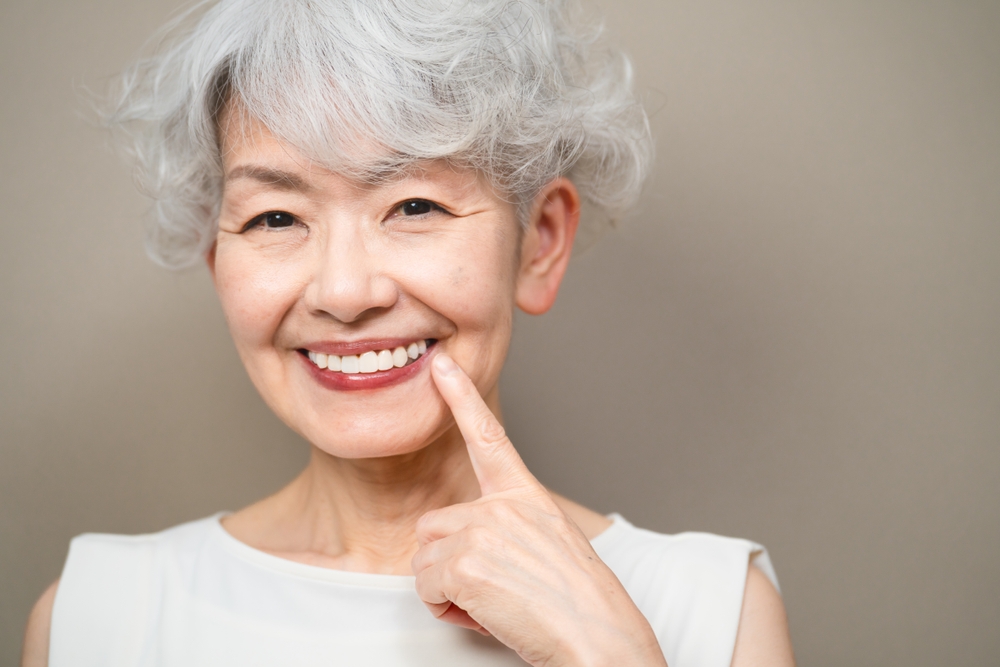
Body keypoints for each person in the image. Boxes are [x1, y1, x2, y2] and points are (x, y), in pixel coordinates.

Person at [22, 0, 795, 665]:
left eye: (415, 205)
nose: (346, 291)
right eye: (276, 217)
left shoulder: (711, 609)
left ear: (540, 242)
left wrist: (604, 650)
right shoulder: (100, 616)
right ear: (218, 258)